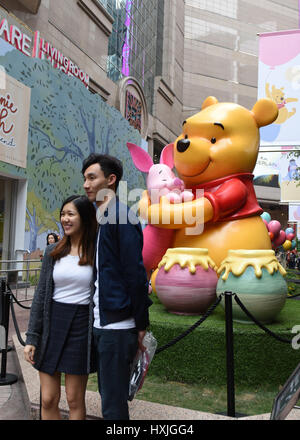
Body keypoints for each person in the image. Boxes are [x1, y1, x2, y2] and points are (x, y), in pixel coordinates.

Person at [82, 153, 152, 420]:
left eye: (92, 177)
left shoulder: (121, 217)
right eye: (85, 179)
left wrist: (140, 324)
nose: (86, 184)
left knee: (113, 406)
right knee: (109, 398)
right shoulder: (103, 216)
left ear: (111, 180)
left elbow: (136, 275)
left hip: (118, 328)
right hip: (103, 323)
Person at [24, 195, 97, 420]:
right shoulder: (53, 251)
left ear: (84, 218)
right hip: (52, 324)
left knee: (75, 400)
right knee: (48, 398)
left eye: (71, 214)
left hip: (81, 326)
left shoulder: (96, 252)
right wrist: (32, 338)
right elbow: (41, 296)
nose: (65, 219)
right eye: (63, 214)